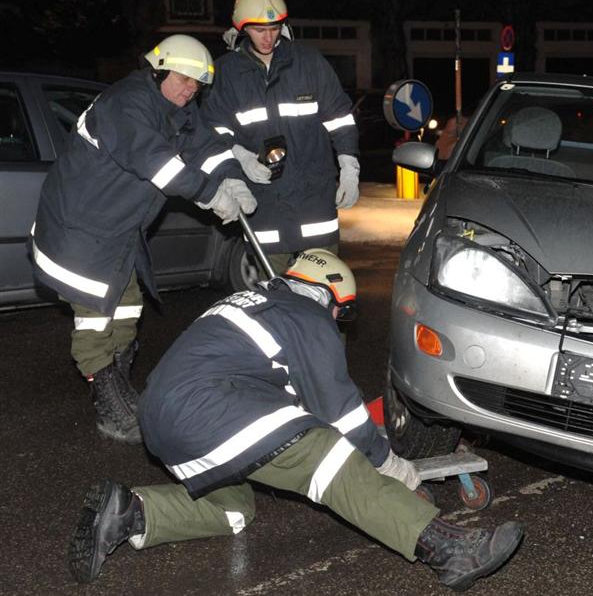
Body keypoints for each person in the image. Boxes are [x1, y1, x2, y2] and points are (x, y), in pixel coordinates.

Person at [68, 249, 525, 591]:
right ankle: (445, 547)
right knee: (324, 458)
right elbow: (341, 415)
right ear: (329, 294)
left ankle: (131, 512)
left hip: (162, 419)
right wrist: (390, 466)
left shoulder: (252, 302)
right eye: (340, 312)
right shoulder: (307, 316)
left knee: (232, 510)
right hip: (212, 410)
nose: (338, 322)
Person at [31, 35, 258, 444]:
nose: (190, 89)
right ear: (159, 70)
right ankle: (109, 406)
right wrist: (211, 195)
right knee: (95, 317)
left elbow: (207, 146)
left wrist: (234, 179)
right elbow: (159, 164)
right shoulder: (127, 103)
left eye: (197, 84)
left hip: (116, 233)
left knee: (128, 308)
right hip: (80, 231)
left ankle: (119, 387)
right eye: (183, 78)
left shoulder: (176, 109)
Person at [202, 0, 360, 275]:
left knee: (323, 292)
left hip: (314, 199)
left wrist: (349, 167)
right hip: (264, 205)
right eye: (260, 29)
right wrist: (241, 156)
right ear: (242, 28)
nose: (268, 36)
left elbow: (340, 118)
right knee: (274, 297)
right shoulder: (226, 73)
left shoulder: (309, 62)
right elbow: (213, 130)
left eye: (274, 28)